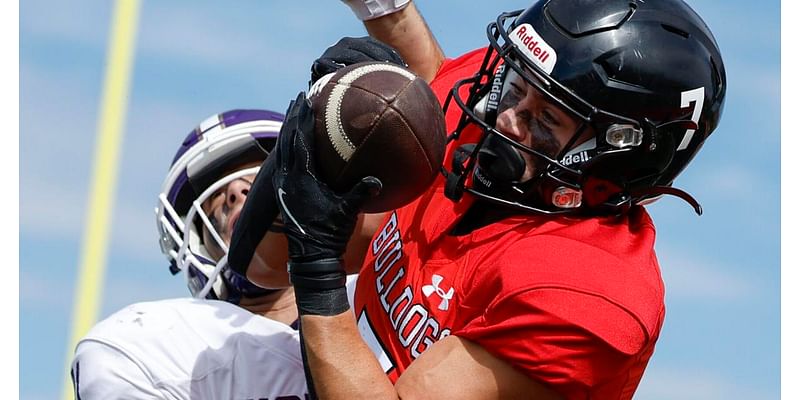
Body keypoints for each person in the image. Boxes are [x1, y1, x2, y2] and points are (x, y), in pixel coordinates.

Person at [230, 0, 727, 398]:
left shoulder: (587, 294)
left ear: (617, 158)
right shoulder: (498, 130)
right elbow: (260, 270)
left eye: (547, 120)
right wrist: (330, 117)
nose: (508, 119)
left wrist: (317, 267)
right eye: (516, 88)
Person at [69, 109, 361, 399]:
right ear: (197, 246)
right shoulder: (178, 345)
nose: (235, 191)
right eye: (214, 196)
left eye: (258, 176)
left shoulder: (371, 285)